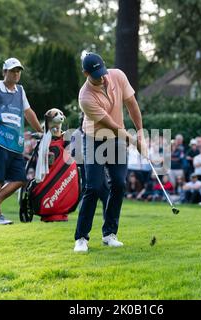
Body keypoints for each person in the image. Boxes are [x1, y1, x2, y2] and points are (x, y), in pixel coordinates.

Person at [73, 52, 146, 252]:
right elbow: (111, 125)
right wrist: (134, 142)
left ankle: (109, 234)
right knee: (94, 187)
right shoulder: (85, 97)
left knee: (119, 184)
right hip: (94, 139)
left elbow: (132, 104)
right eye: (97, 75)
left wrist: (140, 133)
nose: (103, 77)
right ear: (86, 73)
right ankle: (81, 238)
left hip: (117, 139)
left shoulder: (117, 76)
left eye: (103, 72)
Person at [0, 57, 43, 225]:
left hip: (15, 142)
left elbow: (28, 112)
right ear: (4, 72)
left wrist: (41, 130)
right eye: (12, 71)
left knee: (20, 178)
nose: (16, 74)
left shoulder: (20, 90)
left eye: (18, 71)